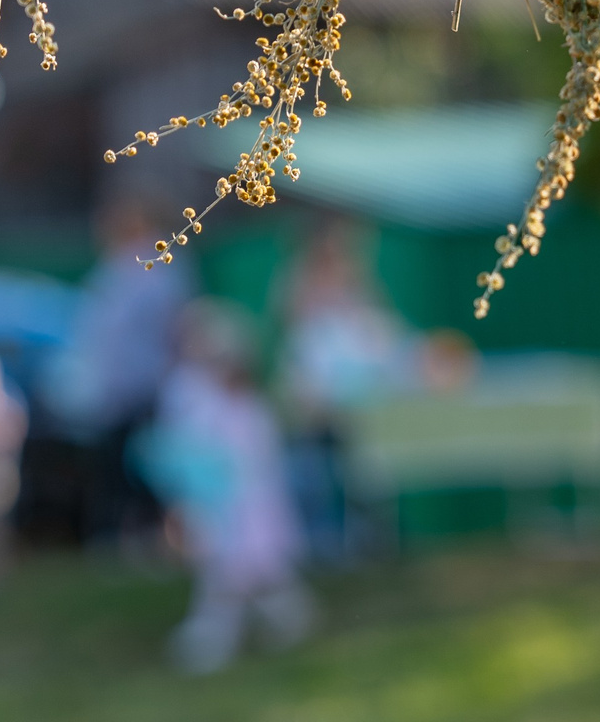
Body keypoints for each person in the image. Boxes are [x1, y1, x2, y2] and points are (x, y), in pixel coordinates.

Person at [139, 300, 313, 674]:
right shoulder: (193, 393)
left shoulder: (246, 406)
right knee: (238, 574)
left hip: (245, 503)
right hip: (218, 499)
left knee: (244, 574)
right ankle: (261, 626)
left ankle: (224, 637)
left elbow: (257, 457)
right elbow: (185, 446)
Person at [52, 197, 193, 548]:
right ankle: (113, 537)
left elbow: (171, 331)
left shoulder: (160, 266)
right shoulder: (115, 267)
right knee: (112, 468)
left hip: (146, 388)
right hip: (112, 392)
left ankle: (147, 535)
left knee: (143, 468)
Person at [276, 216, 411, 562]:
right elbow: (303, 349)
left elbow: (380, 341)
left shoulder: (359, 289)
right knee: (321, 473)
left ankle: (368, 538)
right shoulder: (300, 287)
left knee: (366, 472)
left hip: (359, 402)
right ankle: (327, 541)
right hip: (317, 405)